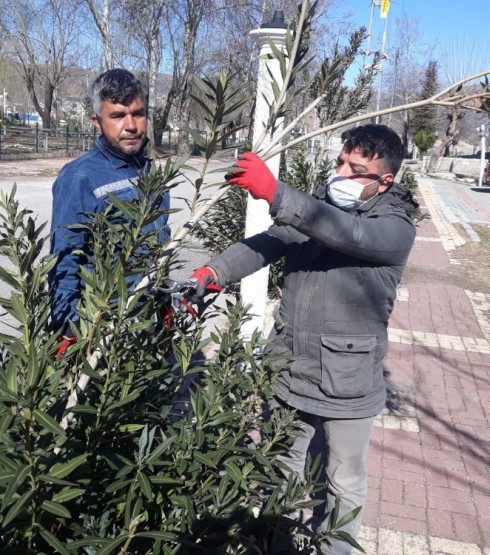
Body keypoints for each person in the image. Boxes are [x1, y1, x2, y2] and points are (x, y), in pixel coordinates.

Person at [188, 124, 417, 553]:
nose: (341, 174)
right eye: (340, 162)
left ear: (385, 181)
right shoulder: (319, 208)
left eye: (357, 169)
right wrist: (214, 272)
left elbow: (349, 233)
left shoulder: (395, 229)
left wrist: (276, 192)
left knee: (343, 480)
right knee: (282, 467)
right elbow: (266, 243)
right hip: (291, 368)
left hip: (349, 382)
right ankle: (283, 544)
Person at [49, 68, 170, 338]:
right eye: (117, 116)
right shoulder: (79, 177)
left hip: (149, 327)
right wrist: (70, 333)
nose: (131, 125)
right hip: (105, 331)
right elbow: (64, 262)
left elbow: (158, 244)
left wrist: (164, 299)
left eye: (138, 114)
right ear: (96, 121)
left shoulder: (151, 172)